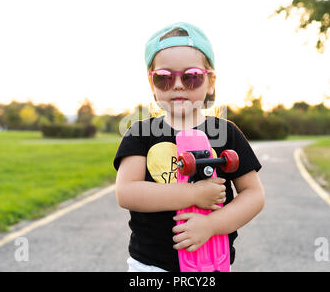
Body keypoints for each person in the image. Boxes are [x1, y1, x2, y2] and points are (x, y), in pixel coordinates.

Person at [113, 22, 265, 272]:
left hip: (212, 261)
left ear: (211, 81)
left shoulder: (227, 133)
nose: (178, 85)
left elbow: (254, 195)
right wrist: (193, 195)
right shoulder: (139, 134)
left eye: (191, 76)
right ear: (152, 84)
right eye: (164, 78)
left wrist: (212, 225)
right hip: (150, 266)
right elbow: (126, 192)